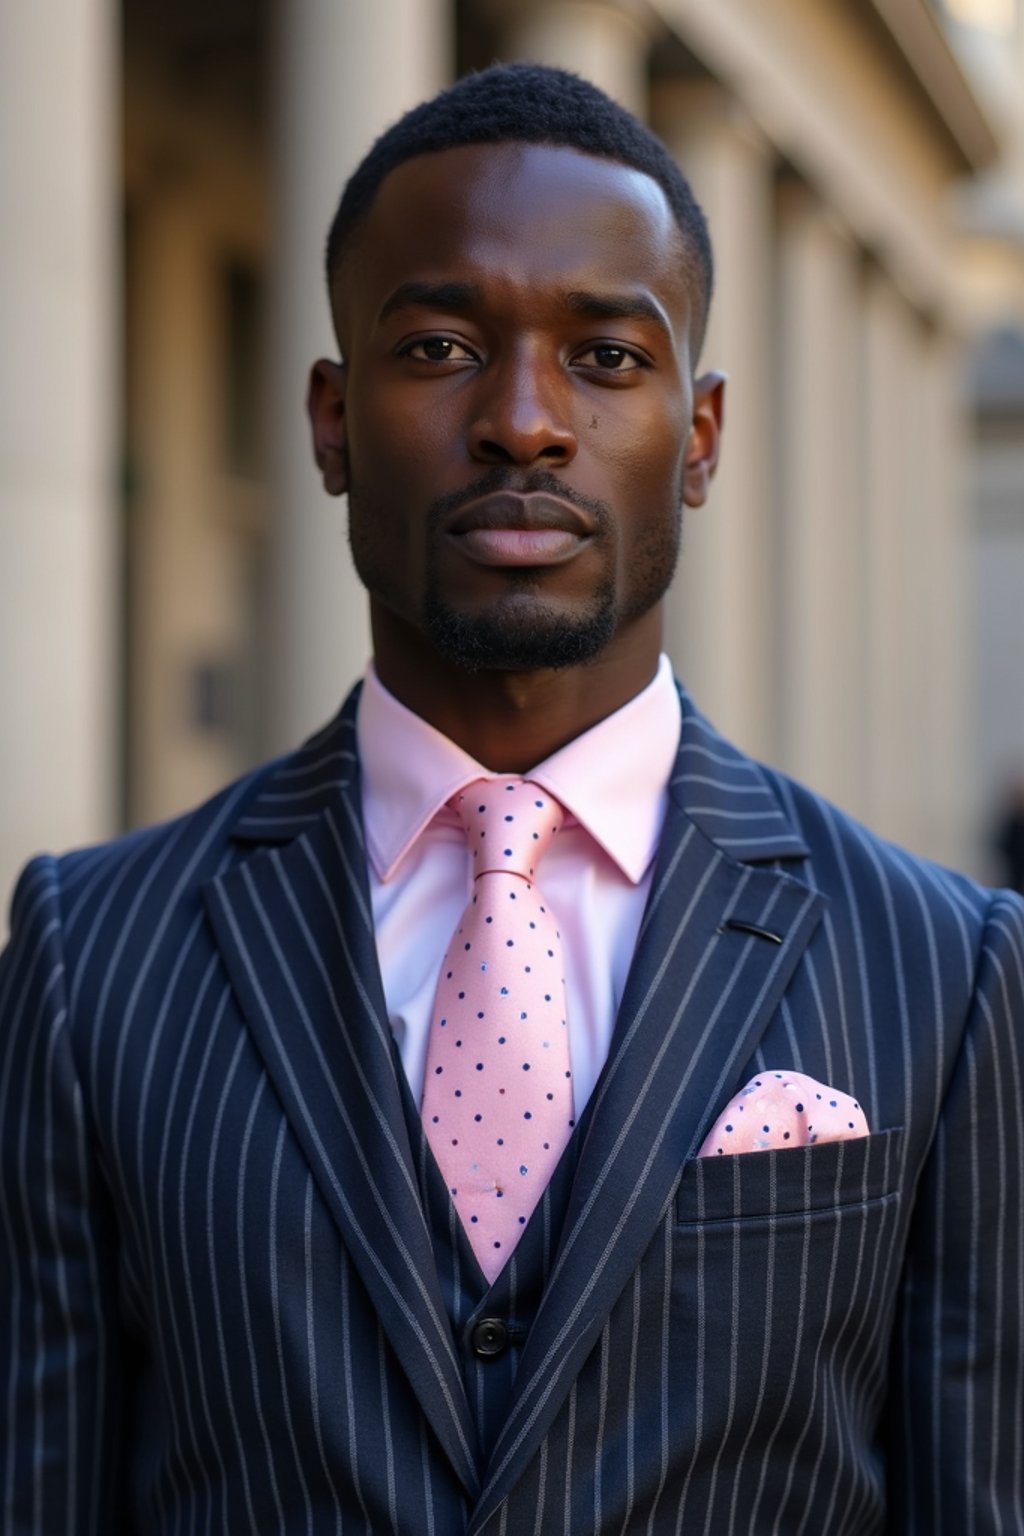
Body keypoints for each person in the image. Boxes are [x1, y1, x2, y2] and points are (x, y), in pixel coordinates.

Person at [2, 62, 1023, 1535]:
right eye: (439, 345)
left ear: (704, 436)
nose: (525, 422)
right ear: (333, 425)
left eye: (607, 358)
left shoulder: (944, 969)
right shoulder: (91, 956)